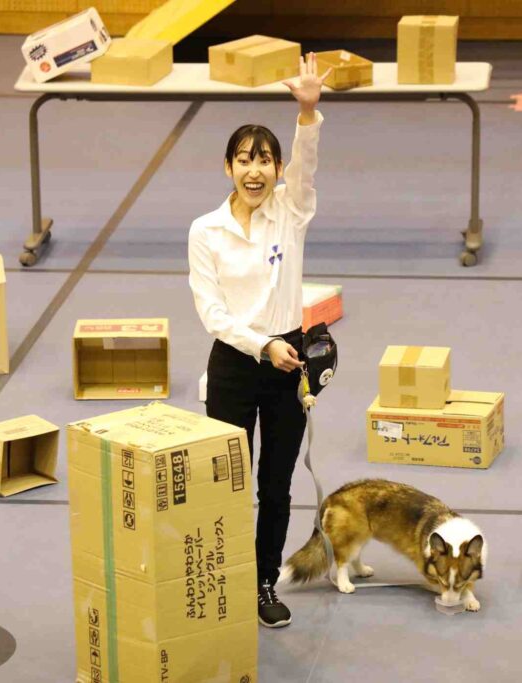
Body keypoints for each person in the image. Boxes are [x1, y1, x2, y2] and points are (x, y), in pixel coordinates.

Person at [188, 52, 330, 628]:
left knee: (276, 485)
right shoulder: (205, 231)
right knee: (226, 484)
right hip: (234, 364)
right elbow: (212, 313)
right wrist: (260, 344)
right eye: (244, 159)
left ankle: (264, 581)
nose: (255, 171)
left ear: (277, 169)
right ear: (227, 167)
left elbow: (308, 167)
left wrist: (307, 111)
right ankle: (222, 579)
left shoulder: (291, 212)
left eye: (265, 160)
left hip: (288, 362)